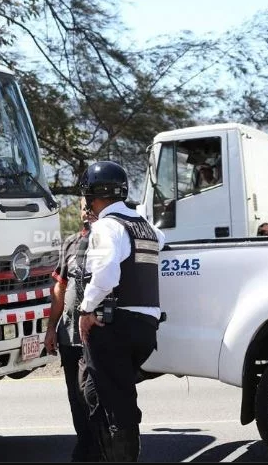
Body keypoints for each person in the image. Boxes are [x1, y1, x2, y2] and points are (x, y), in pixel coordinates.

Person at [75, 161, 165, 462]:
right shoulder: (145, 227)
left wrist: (85, 310)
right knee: (105, 393)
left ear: (90, 196)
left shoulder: (106, 227)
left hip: (115, 327)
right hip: (145, 328)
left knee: (109, 402)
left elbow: (106, 275)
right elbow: (161, 243)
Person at [44, 197, 101, 462]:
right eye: (83, 206)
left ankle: (103, 447)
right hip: (69, 337)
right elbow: (59, 289)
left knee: (93, 394)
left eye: (91, 205)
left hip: (98, 336)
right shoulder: (70, 243)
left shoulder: (111, 241)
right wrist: (51, 329)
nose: (87, 210)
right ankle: (85, 445)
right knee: (76, 397)